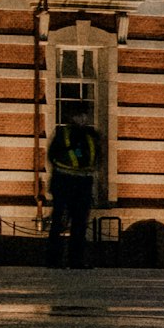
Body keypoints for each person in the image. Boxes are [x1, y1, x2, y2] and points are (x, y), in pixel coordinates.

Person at [47, 94, 105, 269]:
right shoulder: (63, 133)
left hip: (83, 183)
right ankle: (54, 260)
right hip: (64, 182)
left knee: (80, 225)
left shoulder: (91, 136)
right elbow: (53, 156)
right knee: (59, 223)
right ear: (72, 117)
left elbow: (98, 158)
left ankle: (76, 260)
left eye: (84, 115)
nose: (82, 118)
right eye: (79, 115)